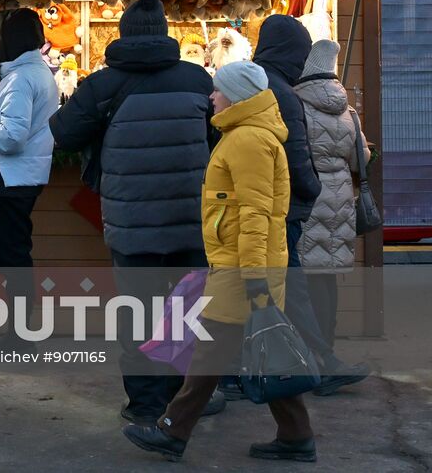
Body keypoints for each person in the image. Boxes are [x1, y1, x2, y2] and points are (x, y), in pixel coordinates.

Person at [124, 61, 316, 464]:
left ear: (237, 94)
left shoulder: (247, 140)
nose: (212, 96)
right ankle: (295, 436)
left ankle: (173, 432)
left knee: (214, 352)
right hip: (242, 265)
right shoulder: (244, 135)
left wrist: (252, 278)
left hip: (243, 268)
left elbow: (255, 213)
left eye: (218, 89)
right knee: (259, 348)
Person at [49, 0, 218, 422]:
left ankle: (145, 405)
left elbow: (64, 134)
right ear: (165, 33)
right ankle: (184, 403)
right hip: (190, 220)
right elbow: (218, 139)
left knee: (138, 313)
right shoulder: (198, 81)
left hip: (132, 222)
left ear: (122, 35)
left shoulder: (102, 84)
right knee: (185, 311)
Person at [251, 15, 366, 393]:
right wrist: (312, 190)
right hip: (292, 209)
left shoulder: (257, 85)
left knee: (281, 291)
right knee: (300, 289)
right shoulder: (301, 98)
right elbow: (304, 160)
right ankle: (317, 362)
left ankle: (304, 366)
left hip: (259, 209)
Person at [0, 8, 56, 354]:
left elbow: (11, 136)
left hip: (10, 180)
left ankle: (20, 338)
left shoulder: (21, 79)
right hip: (11, 179)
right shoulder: (30, 71)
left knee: (10, 259)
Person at [294, 38, 369, 396]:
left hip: (309, 199)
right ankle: (328, 354)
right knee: (327, 282)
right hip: (340, 202)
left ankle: (312, 361)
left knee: (304, 285)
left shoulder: (295, 105)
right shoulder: (347, 110)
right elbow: (361, 161)